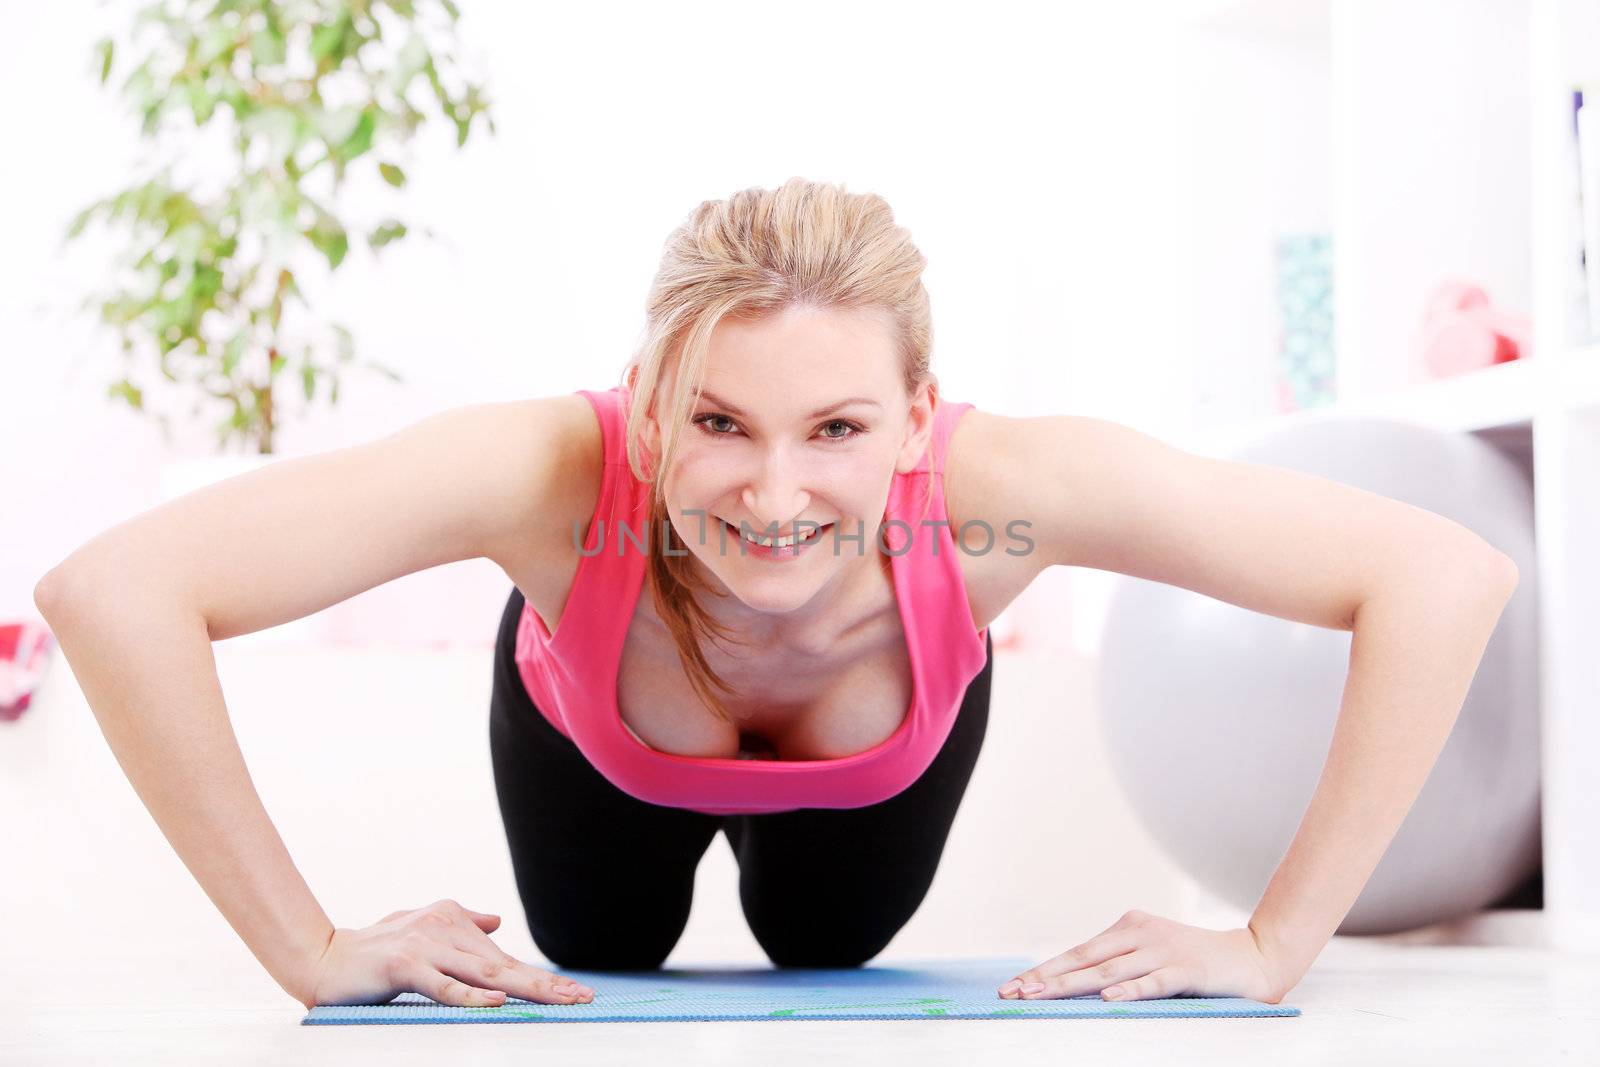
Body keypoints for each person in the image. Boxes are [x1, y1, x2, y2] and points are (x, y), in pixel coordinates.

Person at [34, 177, 1518, 1012]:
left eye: (839, 431)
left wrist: (1271, 947)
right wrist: (305, 947)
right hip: (594, 740)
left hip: (878, 767)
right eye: (721, 423)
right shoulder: (542, 474)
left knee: (828, 953)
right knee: (602, 949)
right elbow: (117, 590)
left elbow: (1440, 575)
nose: (775, 495)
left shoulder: (1017, 491)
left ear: (922, 417)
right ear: (648, 396)